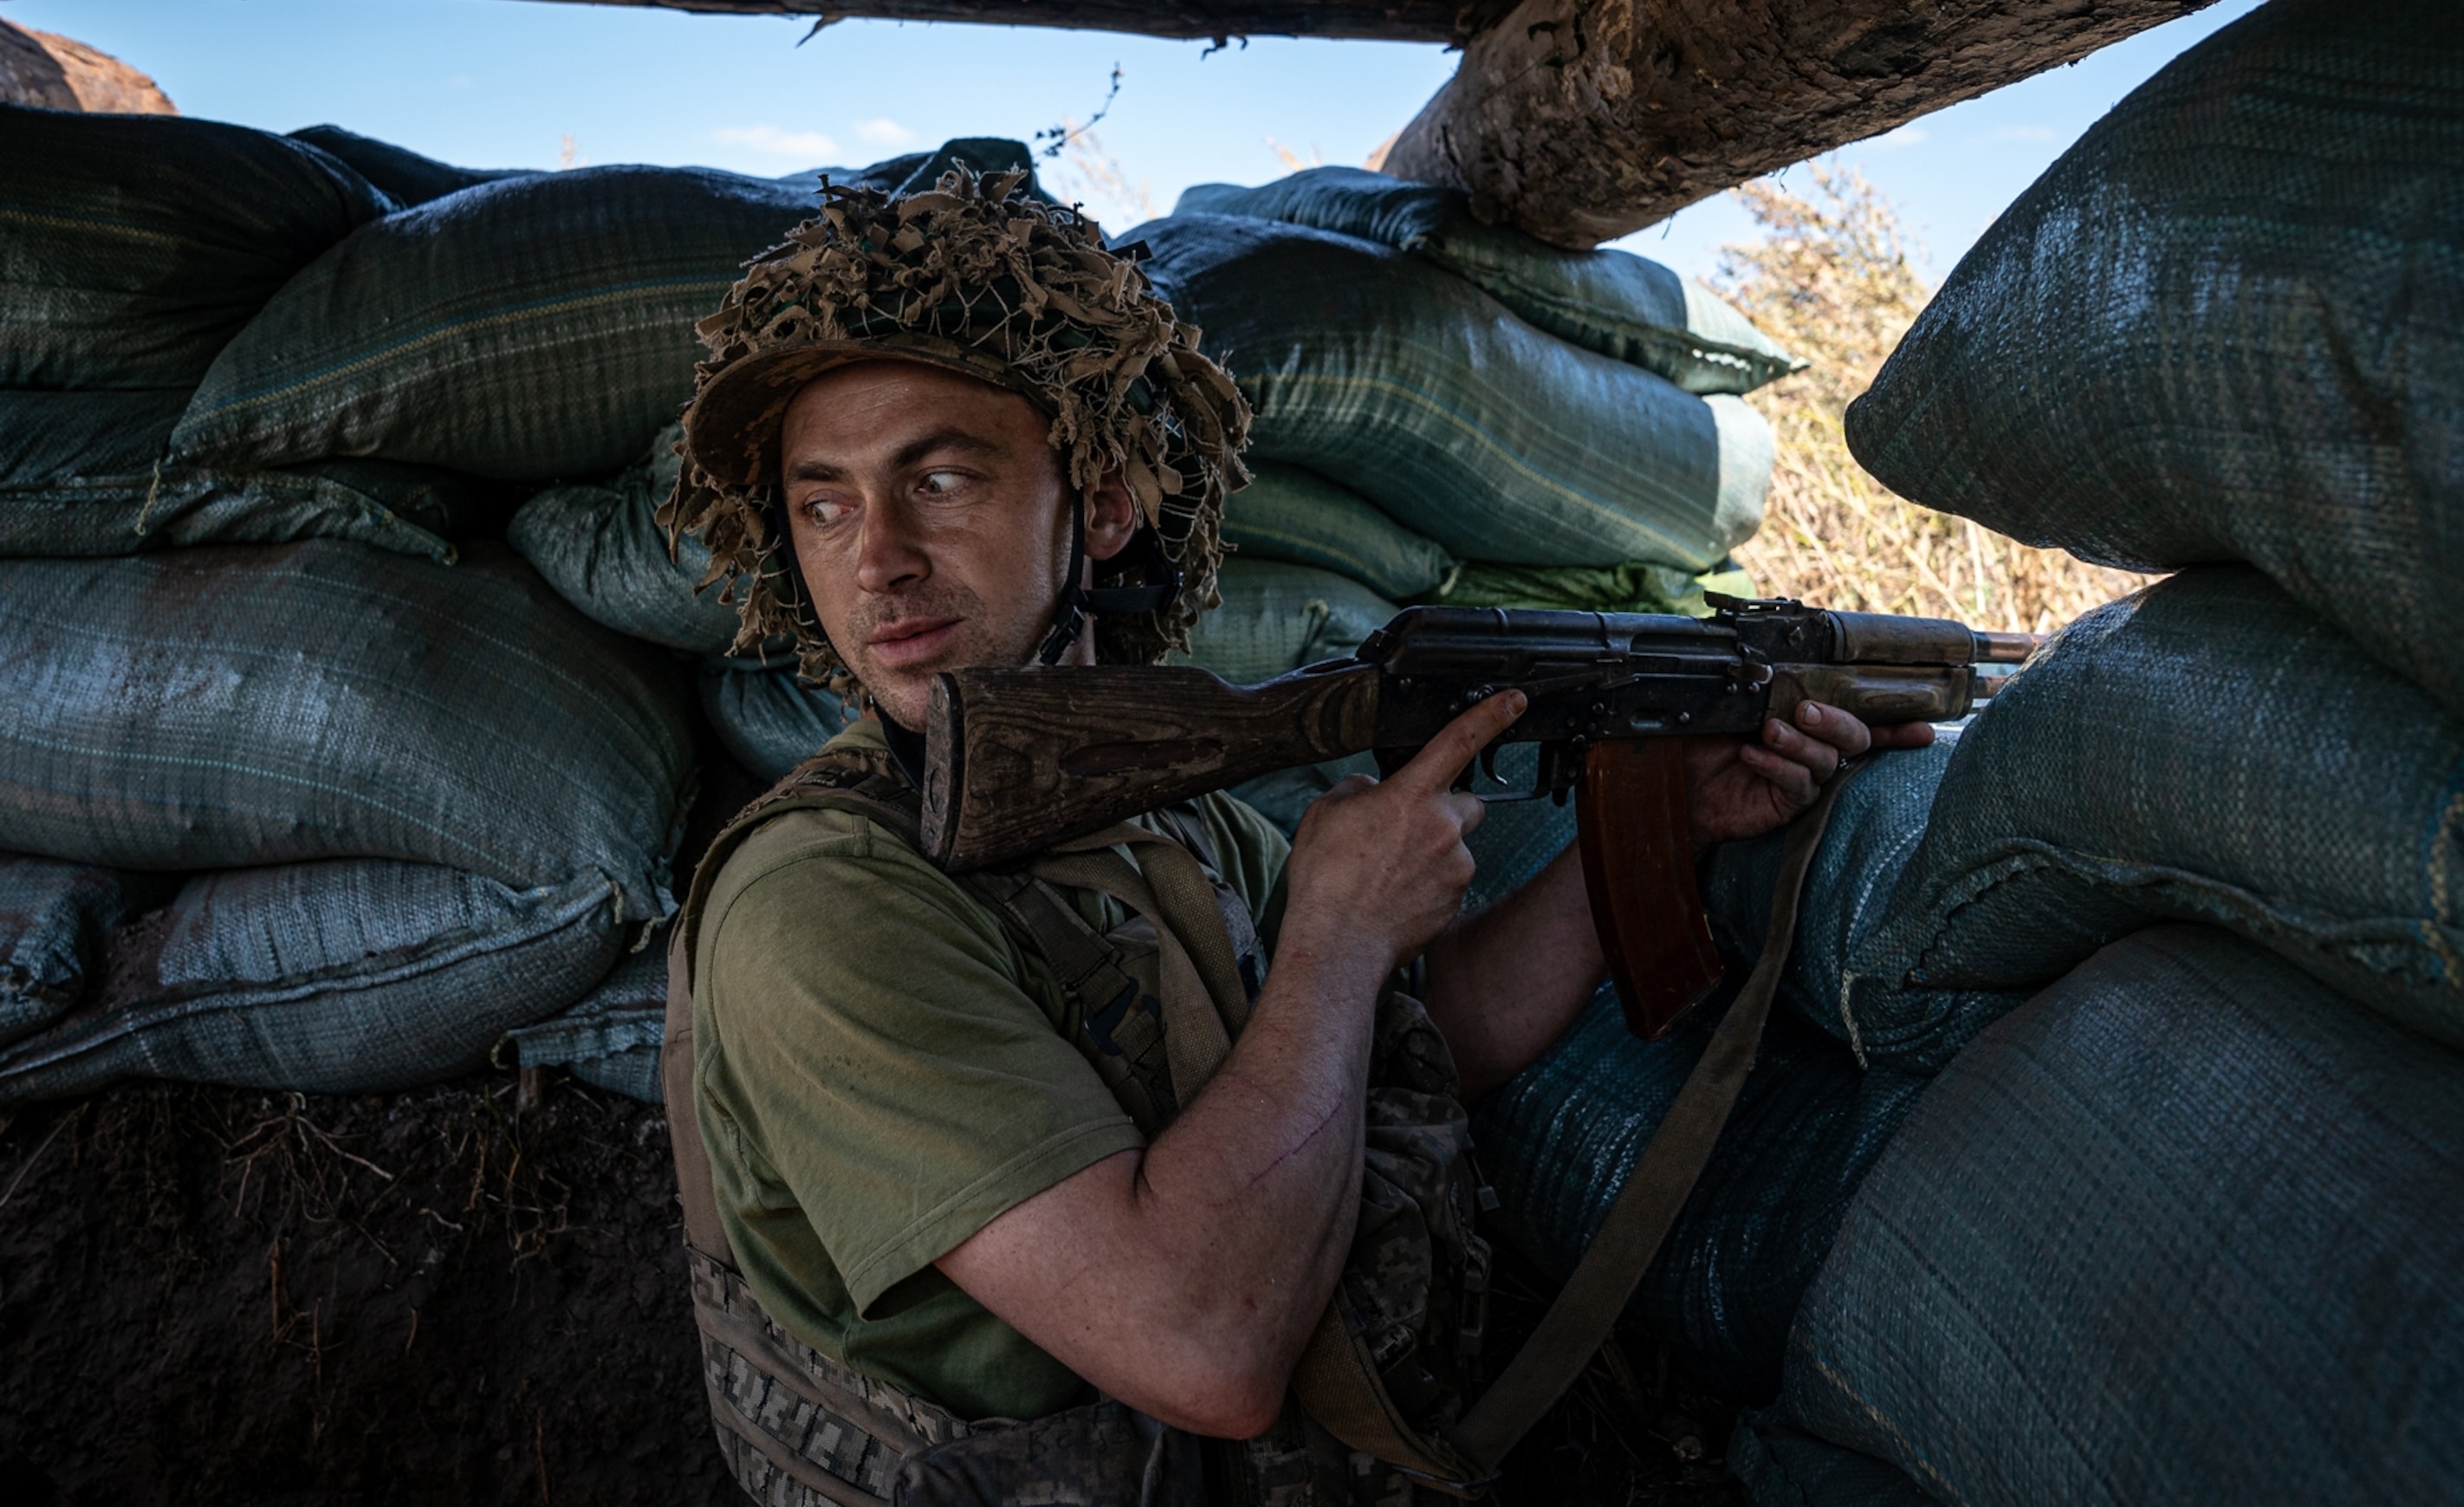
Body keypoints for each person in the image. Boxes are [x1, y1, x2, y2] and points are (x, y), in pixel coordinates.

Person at [658, 166, 1925, 1505]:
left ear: (1099, 504)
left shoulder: (1155, 807)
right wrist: (1332, 930)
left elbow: (1405, 1031)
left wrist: (1659, 817)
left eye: (943, 477)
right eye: (827, 504)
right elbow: (1205, 1348)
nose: (878, 560)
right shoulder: (821, 898)